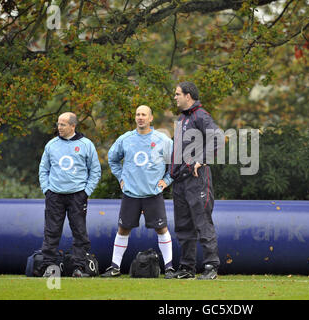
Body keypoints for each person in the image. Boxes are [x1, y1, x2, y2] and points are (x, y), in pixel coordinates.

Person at [101, 105, 175, 278]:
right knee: (123, 229)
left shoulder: (161, 139)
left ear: (151, 118)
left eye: (144, 115)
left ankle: (169, 268)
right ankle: (115, 267)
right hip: (131, 194)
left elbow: (176, 162)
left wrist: (167, 180)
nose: (140, 117)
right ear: (135, 118)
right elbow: (112, 159)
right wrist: (120, 178)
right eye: (137, 114)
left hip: (153, 194)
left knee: (162, 229)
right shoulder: (126, 139)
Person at [38, 112, 101, 277]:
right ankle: (49, 268)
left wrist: (86, 192)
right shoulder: (51, 145)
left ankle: (78, 268)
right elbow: (43, 169)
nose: (59, 127)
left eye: (63, 124)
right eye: (58, 124)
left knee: (79, 233)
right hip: (55, 196)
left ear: (73, 126)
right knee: (51, 232)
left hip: (77, 196)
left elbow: (95, 171)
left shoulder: (86, 144)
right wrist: (47, 189)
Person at [168, 81, 220, 280]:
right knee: (183, 226)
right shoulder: (182, 118)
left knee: (202, 222)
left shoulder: (201, 116)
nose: (175, 97)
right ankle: (187, 268)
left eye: (177, 94)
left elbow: (217, 138)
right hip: (180, 180)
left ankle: (211, 266)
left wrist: (202, 160)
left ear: (188, 96)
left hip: (197, 179)